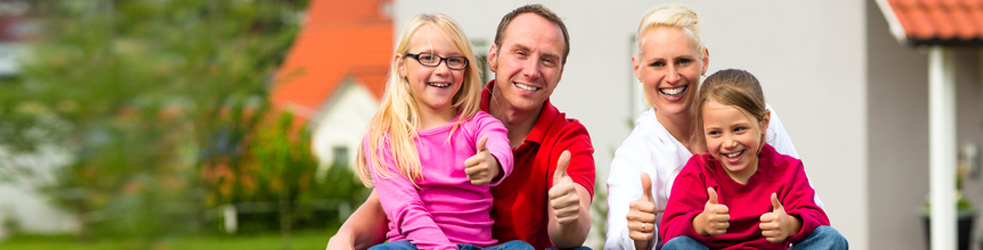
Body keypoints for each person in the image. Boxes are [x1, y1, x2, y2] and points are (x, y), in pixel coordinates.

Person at [328, 4, 595, 250]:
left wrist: (567, 213)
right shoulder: (447, 110)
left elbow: (571, 234)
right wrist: (345, 236)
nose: (532, 70)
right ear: (493, 57)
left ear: (560, 74)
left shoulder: (566, 137)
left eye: (548, 60)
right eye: (520, 53)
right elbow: (386, 203)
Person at [603, 4, 836, 250]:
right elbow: (626, 241)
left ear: (704, 60)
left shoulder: (754, 115)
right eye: (658, 64)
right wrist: (641, 234)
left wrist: (791, 223)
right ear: (637, 68)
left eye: (683, 61)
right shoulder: (637, 156)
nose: (672, 77)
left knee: (830, 239)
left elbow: (815, 216)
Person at [354, 13, 529, 250]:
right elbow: (405, 208)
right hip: (413, 244)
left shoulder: (479, 124)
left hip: (477, 246)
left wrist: (493, 163)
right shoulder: (384, 136)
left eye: (454, 60)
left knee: (521, 248)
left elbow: (500, 147)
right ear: (401, 65)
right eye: (428, 58)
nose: (443, 70)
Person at [659, 69, 847, 250]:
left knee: (831, 239)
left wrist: (791, 224)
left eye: (739, 129)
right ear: (703, 131)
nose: (729, 143)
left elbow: (819, 220)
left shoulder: (787, 169)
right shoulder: (697, 173)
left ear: (764, 123)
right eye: (715, 133)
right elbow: (669, 232)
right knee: (677, 247)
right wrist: (699, 223)